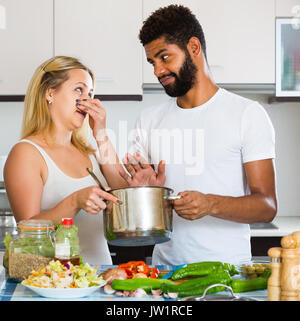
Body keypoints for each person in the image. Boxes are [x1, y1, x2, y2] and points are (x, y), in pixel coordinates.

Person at [120, 5, 277, 265]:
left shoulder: (247, 114)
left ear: (194, 47)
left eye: (165, 57)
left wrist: (210, 204)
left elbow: (267, 206)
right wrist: (148, 194)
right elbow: (144, 221)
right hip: (163, 274)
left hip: (228, 275)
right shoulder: (148, 120)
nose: (157, 71)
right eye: (152, 62)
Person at [4, 56, 130, 265]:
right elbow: (27, 229)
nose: (87, 99)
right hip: (53, 286)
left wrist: (101, 133)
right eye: (78, 90)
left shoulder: (91, 151)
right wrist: (74, 201)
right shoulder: (27, 153)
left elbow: (124, 198)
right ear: (50, 93)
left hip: (99, 281)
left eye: (90, 93)